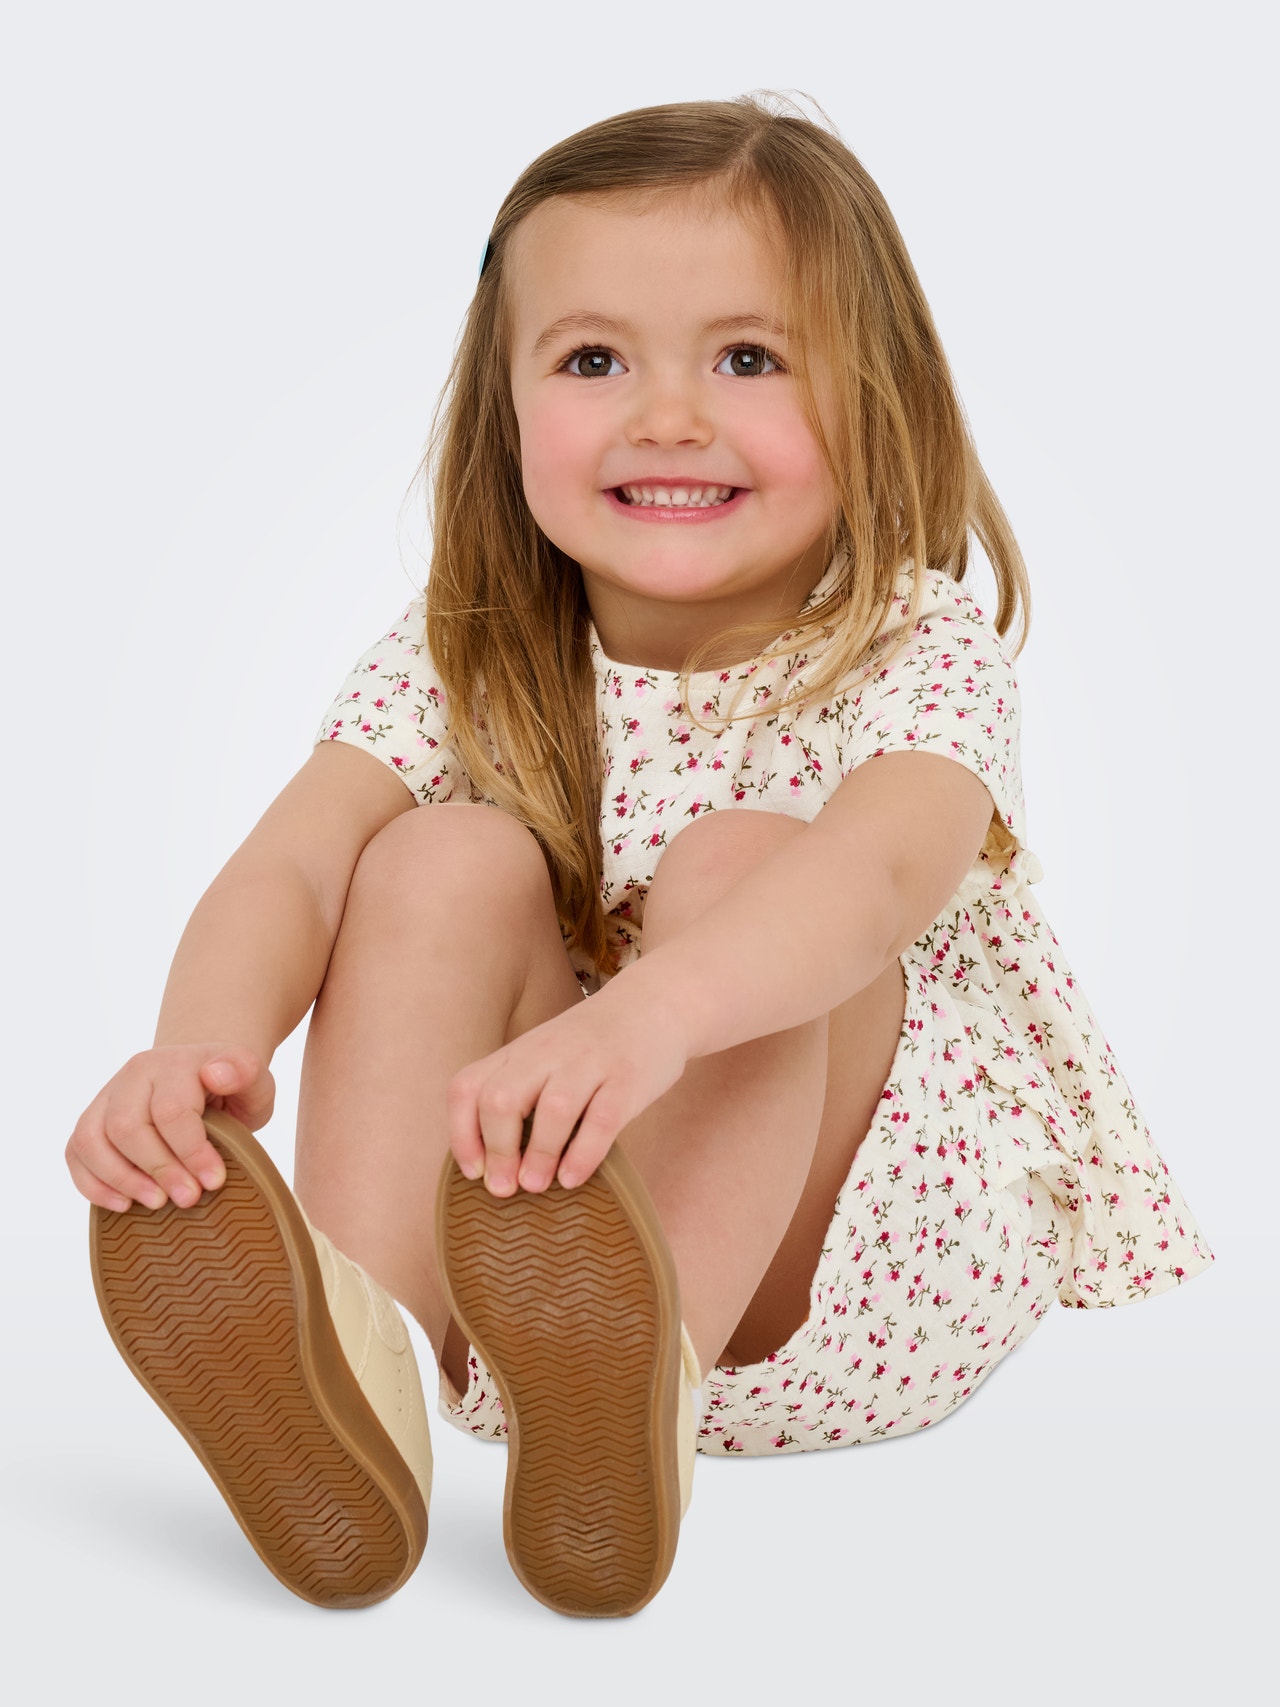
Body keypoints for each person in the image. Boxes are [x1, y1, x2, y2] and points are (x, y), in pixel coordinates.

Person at [66, 90, 1214, 1619]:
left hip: (857, 1270)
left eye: (747, 358)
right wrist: (193, 1061)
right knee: (433, 861)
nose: (667, 417)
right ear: (506, 410)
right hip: (533, 1252)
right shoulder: (470, 652)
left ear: (876, 392)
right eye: (595, 361)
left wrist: (651, 1018)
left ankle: (634, 1376)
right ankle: (368, 1356)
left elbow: (874, 881)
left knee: (749, 870)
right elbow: (293, 864)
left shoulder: (913, 646)